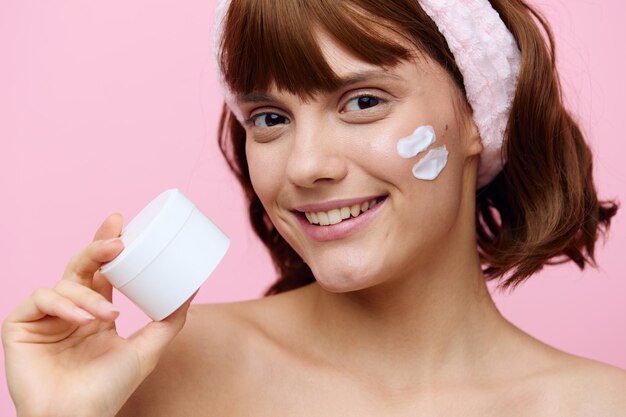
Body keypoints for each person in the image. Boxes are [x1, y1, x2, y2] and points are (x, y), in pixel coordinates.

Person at [3, 0, 625, 415]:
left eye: (362, 102)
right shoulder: (168, 372)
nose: (304, 166)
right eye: (270, 119)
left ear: (478, 117)